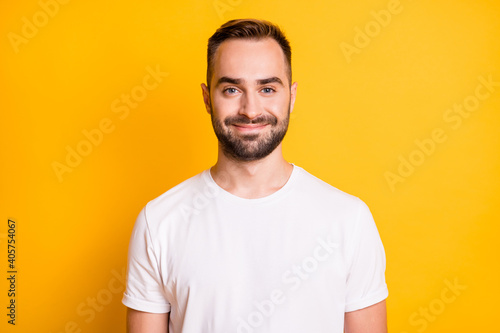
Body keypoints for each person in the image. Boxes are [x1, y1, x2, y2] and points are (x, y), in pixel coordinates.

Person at [122, 18, 388, 333]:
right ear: (208, 98)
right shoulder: (159, 222)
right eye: (232, 89)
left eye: (267, 88)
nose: (250, 109)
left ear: (292, 95)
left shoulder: (349, 220)